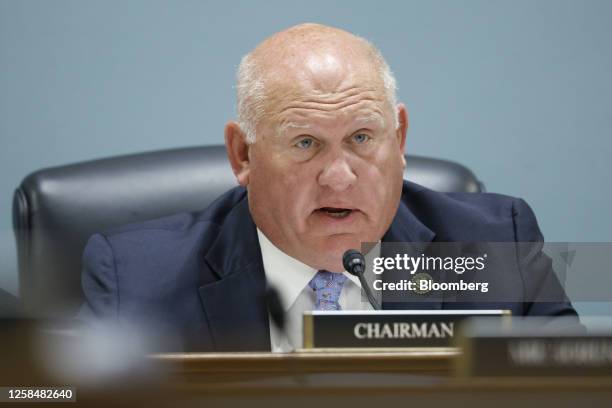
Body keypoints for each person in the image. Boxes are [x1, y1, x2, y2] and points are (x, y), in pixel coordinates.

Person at [78, 23, 578, 352]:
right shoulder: (136, 280)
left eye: (362, 138)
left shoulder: (495, 247)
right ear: (243, 155)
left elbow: (576, 390)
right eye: (305, 143)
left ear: (398, 138)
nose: (339, 176)